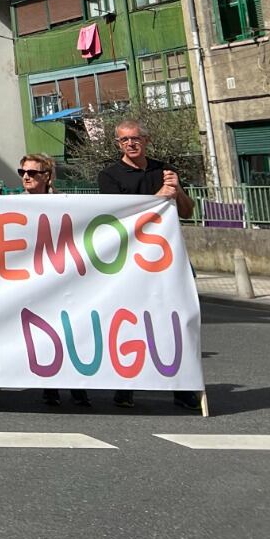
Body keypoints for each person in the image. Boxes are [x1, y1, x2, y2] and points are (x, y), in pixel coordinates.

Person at [97, 119, 199, 410]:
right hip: (131, 259)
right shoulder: (110, 175)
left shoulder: (163, 169)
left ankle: (182, 387)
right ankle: (126, 386)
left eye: (136, 138)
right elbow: (116, 216)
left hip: (169, 257)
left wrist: (176, 190)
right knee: (128, 322)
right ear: (118, 144)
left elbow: (187, 211)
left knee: (178, 320)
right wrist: (157, 198)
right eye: (124, 140)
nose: (131, 143)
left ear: (146, 139)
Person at [18, 154, 90, 408]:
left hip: (63, 279)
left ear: (47, 176)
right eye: (22, 172)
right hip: (31, 281)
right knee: (41, 333)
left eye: (33, 173)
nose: (26, 176)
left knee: (70, 331)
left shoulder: (64, 203)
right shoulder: (12, 206)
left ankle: (79, 386)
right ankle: (49, 386)